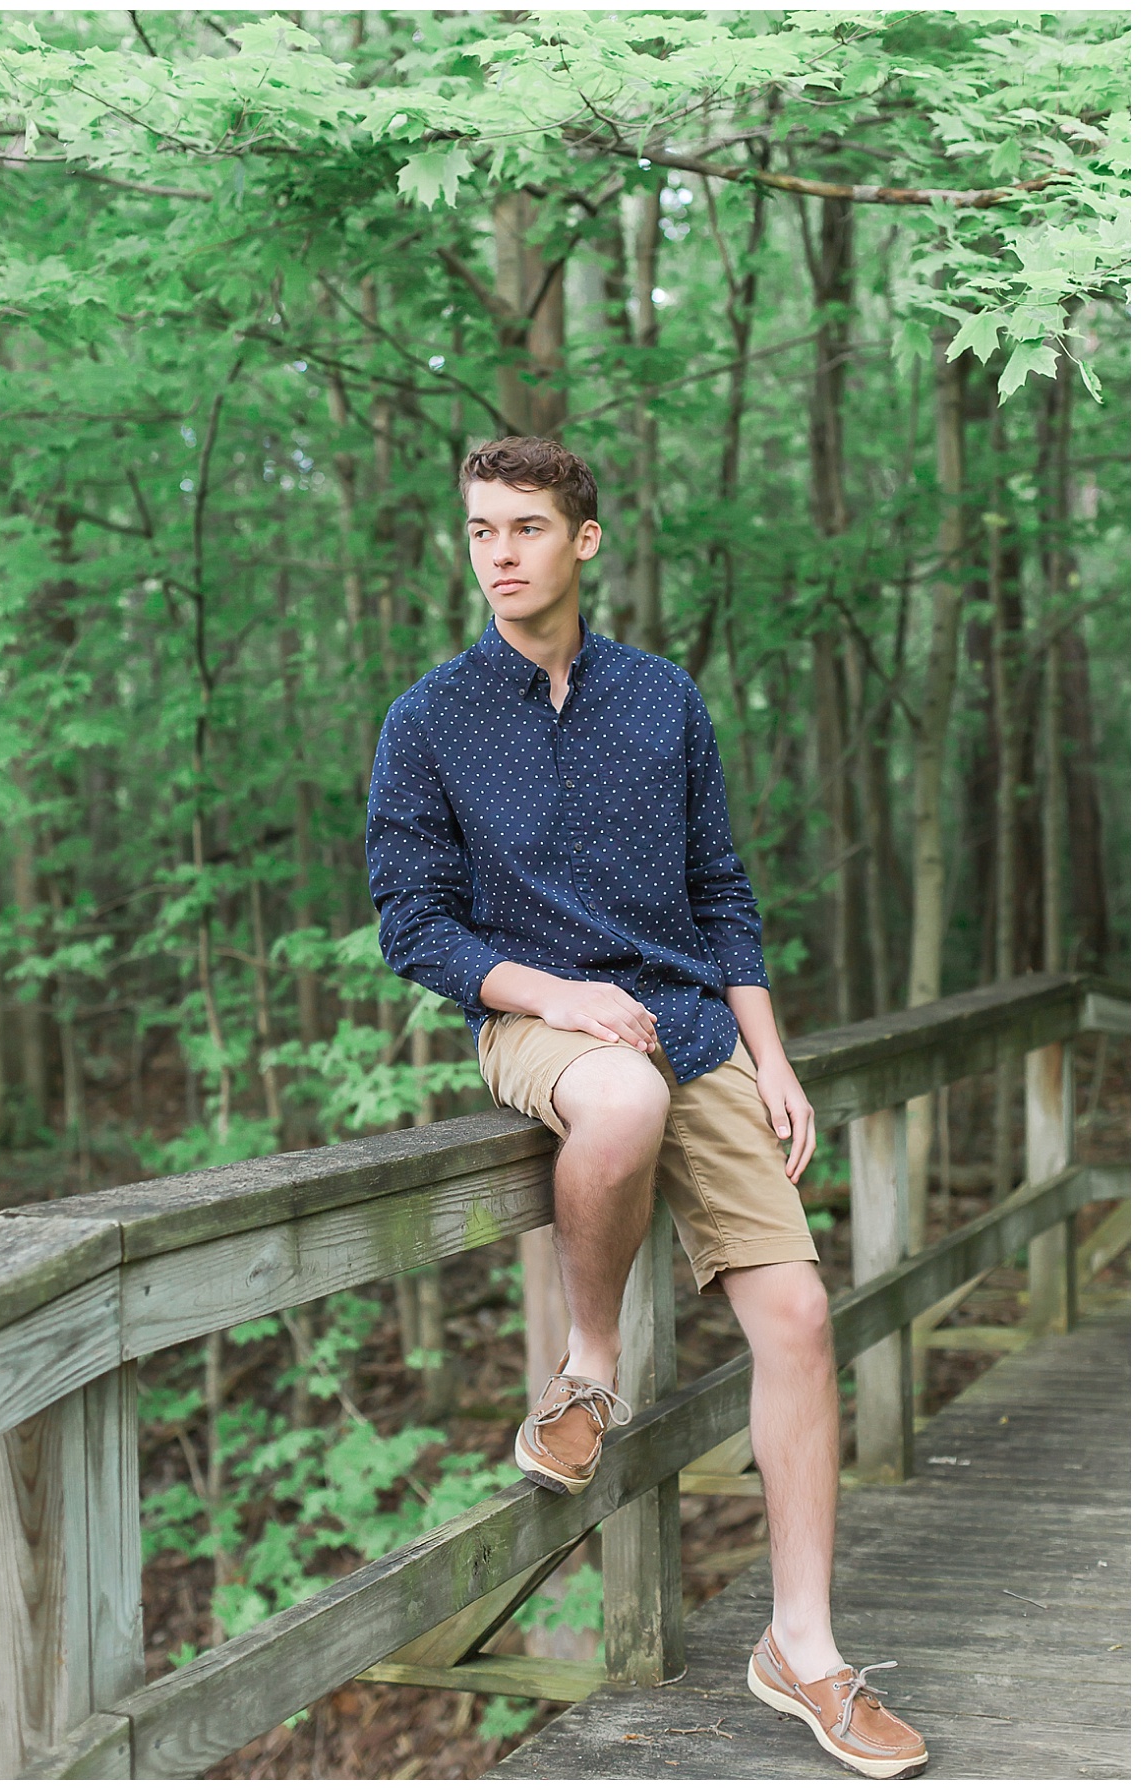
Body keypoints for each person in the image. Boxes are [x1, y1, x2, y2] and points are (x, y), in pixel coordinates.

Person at [366, 436, 927, 1779]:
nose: (498, 552)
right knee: (612, 1092)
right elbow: (413, 925)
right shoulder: (429, 720)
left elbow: (722, 890)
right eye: (480, 529)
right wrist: (552, 992)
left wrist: (770, 1056)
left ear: (587, 541)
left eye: (526, 528)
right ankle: (588, 1379)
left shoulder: (664, 701)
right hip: (533, 1023)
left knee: (797, 1313)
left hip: (693, 1022)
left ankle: (805, 1646)